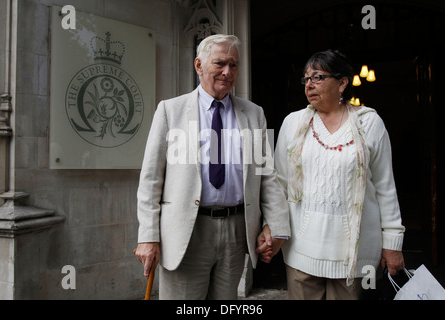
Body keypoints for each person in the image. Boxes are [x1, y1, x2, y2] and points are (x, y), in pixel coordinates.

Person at [135, 34, 290, 300]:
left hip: (235, 230)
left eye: (234, 65)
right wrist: (147, 236)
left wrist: (276, 225)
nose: (228, 72)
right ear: (199, 65)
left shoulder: (254, 113)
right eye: (220, 63)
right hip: (186, 231)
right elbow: (151, 180)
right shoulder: (170, 111)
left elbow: (266, 175)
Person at [274, 50, 405, 300]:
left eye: (318, 77)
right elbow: (279, 184)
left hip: (354, 257)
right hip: (302, 252)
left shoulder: (369, 123)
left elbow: (385, 187)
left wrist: (393, 244)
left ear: (343, 82)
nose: (309, 84)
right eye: (306, 79)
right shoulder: (293, 123)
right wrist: (275, 230)